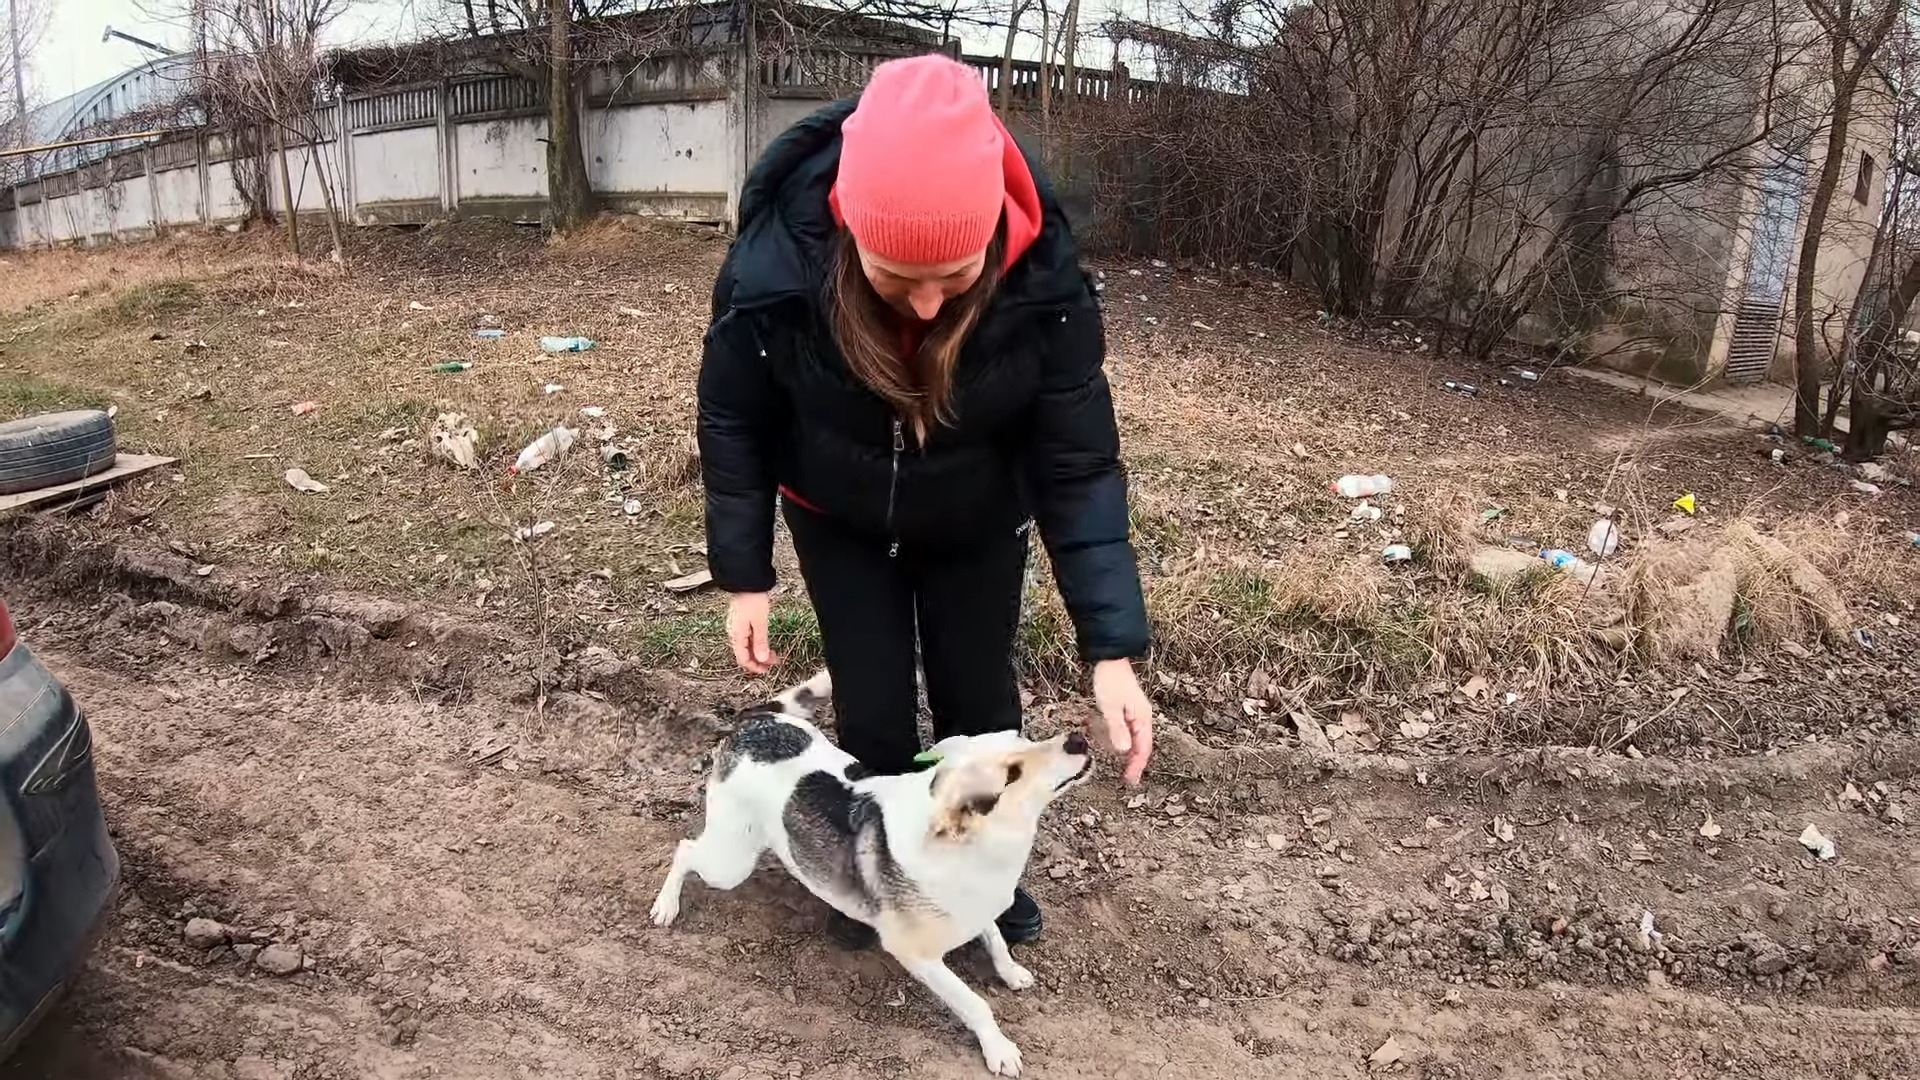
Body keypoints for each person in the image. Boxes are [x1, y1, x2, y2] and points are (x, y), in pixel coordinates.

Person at [696, 54, 1154, 949]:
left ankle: (977, 884)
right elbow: (733, 419)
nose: (932, 299)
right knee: (869, 707)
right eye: (898, 275)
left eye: (955, 269)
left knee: (980, 703)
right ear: (847, 229)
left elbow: (1078, 466)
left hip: (977, 520)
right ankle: (873, 881)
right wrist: (744, 575)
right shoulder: (777, 270)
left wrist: (1112, 649)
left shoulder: (1044, 288)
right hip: (837, 518)